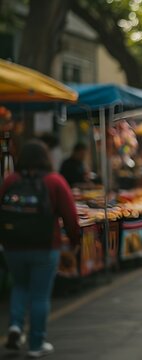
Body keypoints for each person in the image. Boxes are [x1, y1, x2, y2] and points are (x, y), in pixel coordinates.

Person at [0, 139, 80, 358]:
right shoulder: (54, 181)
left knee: (20, 286)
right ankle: (36, 344)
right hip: (45, 247)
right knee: (40, 295)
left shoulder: (10, 181)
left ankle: (15, 326)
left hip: (12, 247)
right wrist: (74, 242)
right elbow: (71, 217)